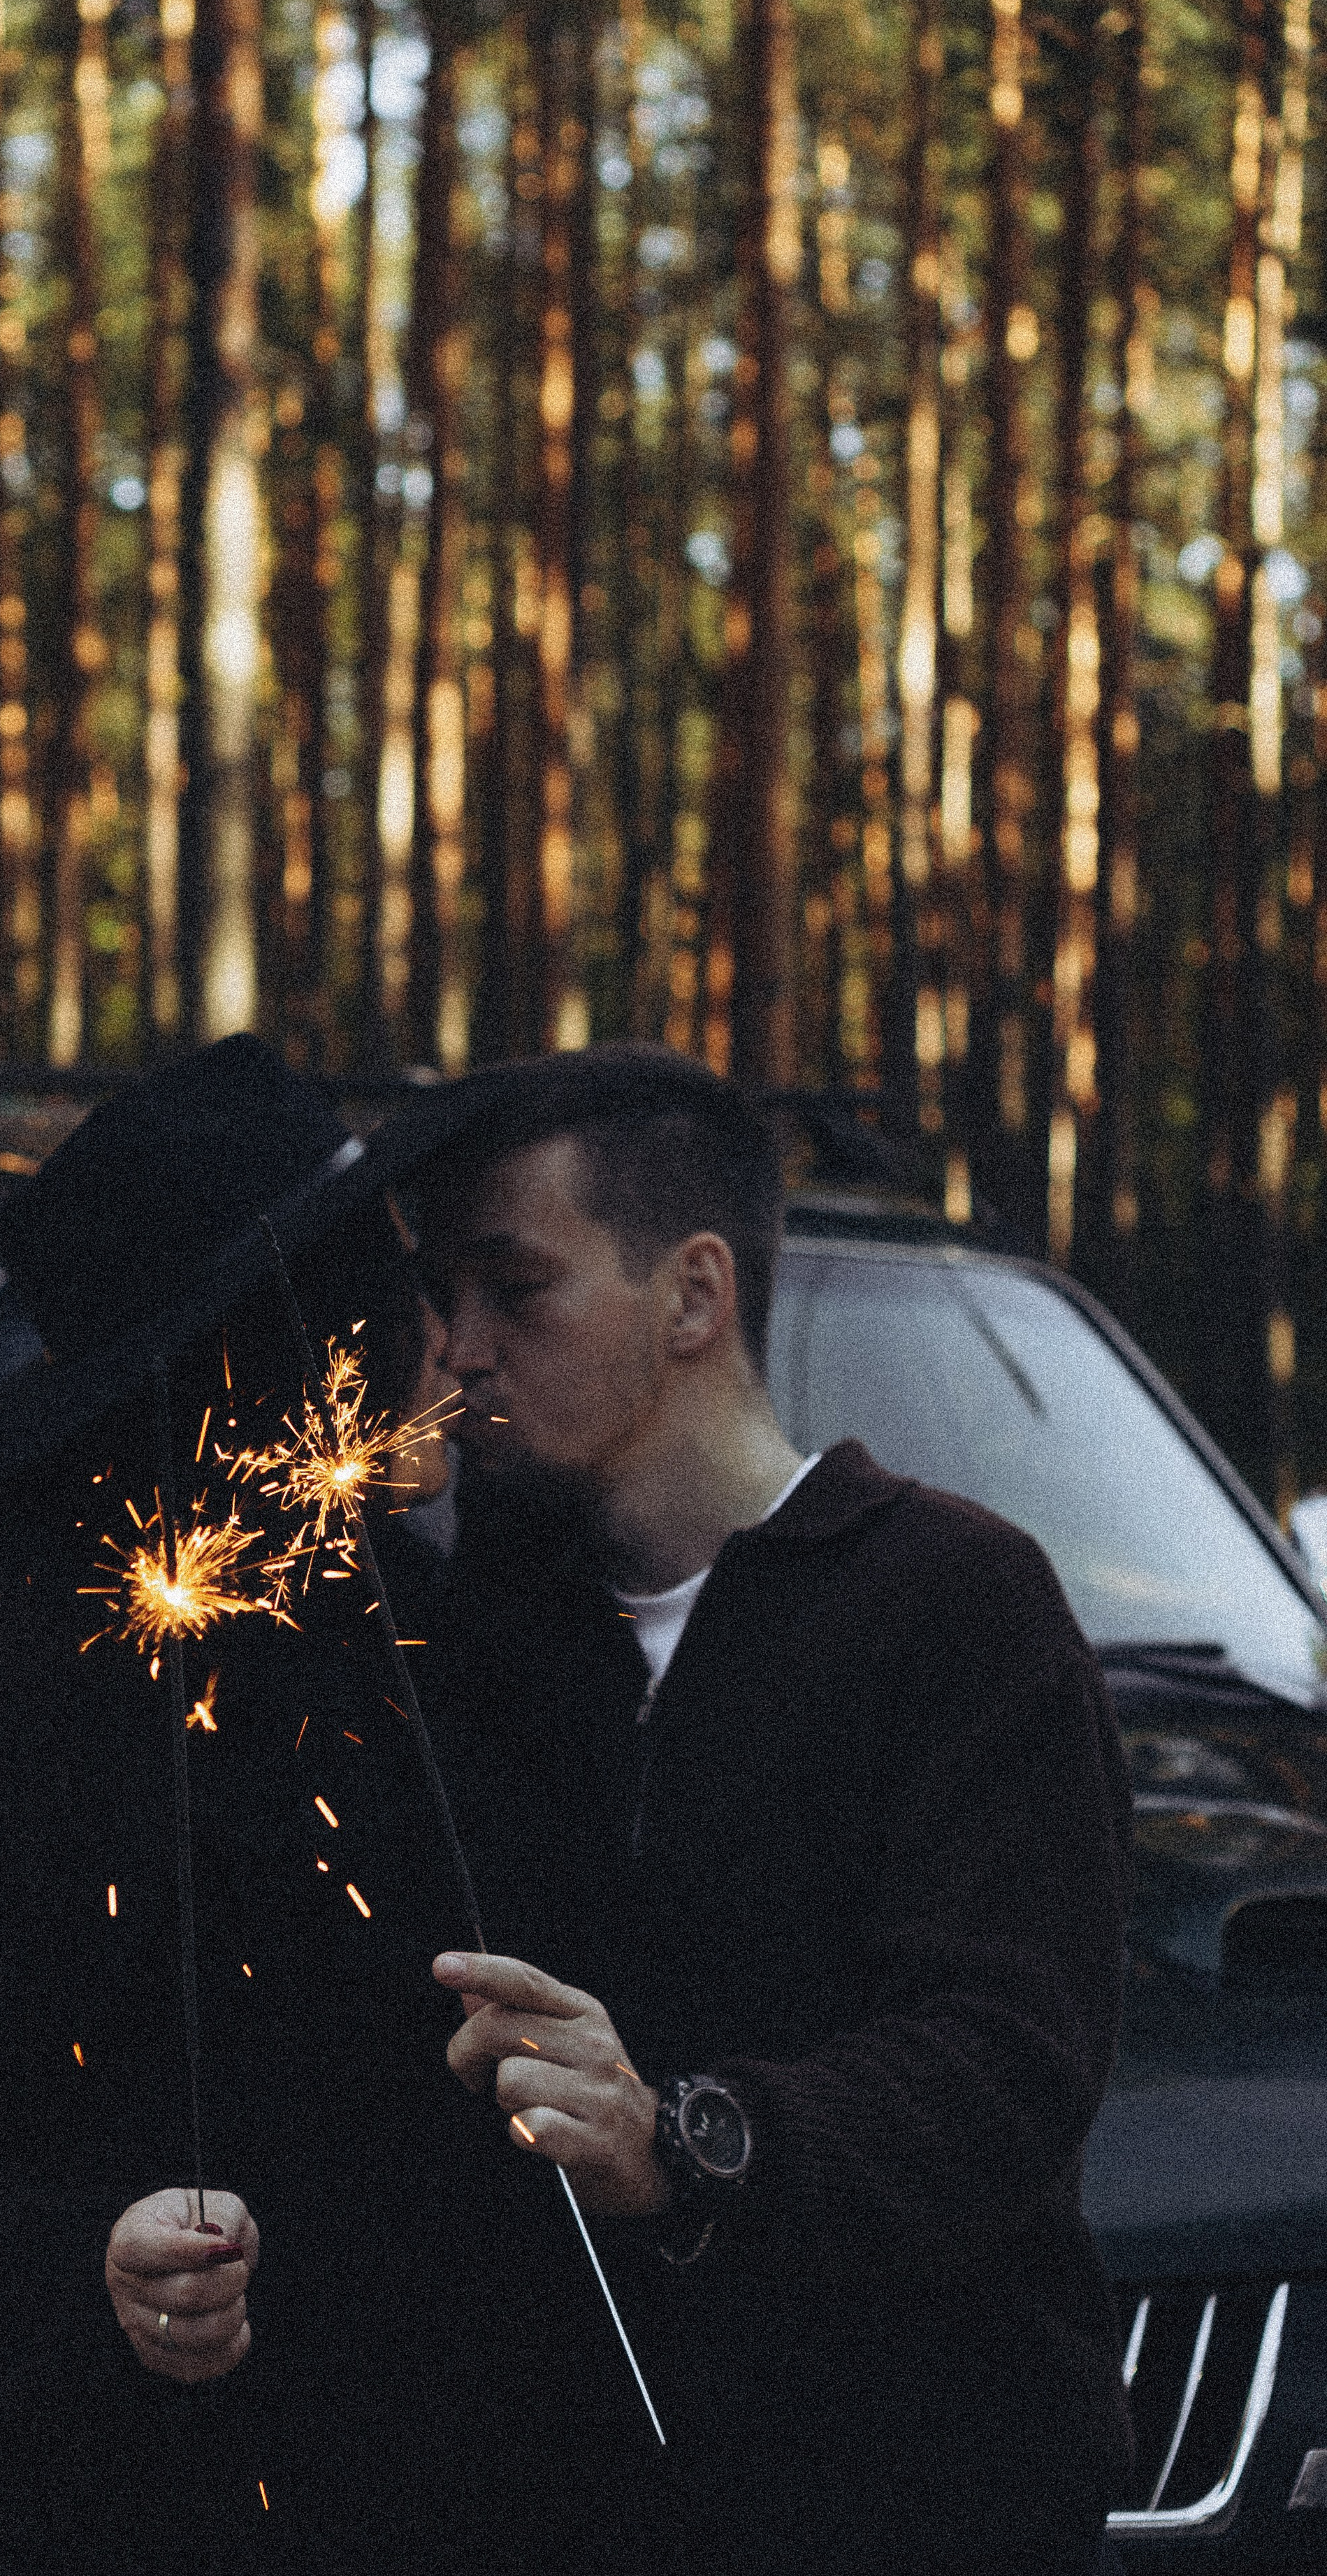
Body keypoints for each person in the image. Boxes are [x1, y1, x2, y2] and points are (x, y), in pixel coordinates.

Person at [0, 1036, 646, 2576]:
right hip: (92, 2522)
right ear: (287, 1358)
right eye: (401, 1302)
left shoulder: (460, 1642)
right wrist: (78, 2272)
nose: (452, 1349)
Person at [409, 1042, 1135, 2575]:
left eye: (513, 1289)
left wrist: (681, 2138)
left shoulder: (952, 1606)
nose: (461, 1349)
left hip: (908, 2502)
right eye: (442, 1300)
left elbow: (1001, 2061)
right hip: (555, 2503)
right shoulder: (479, 1639)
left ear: (691, 1294)